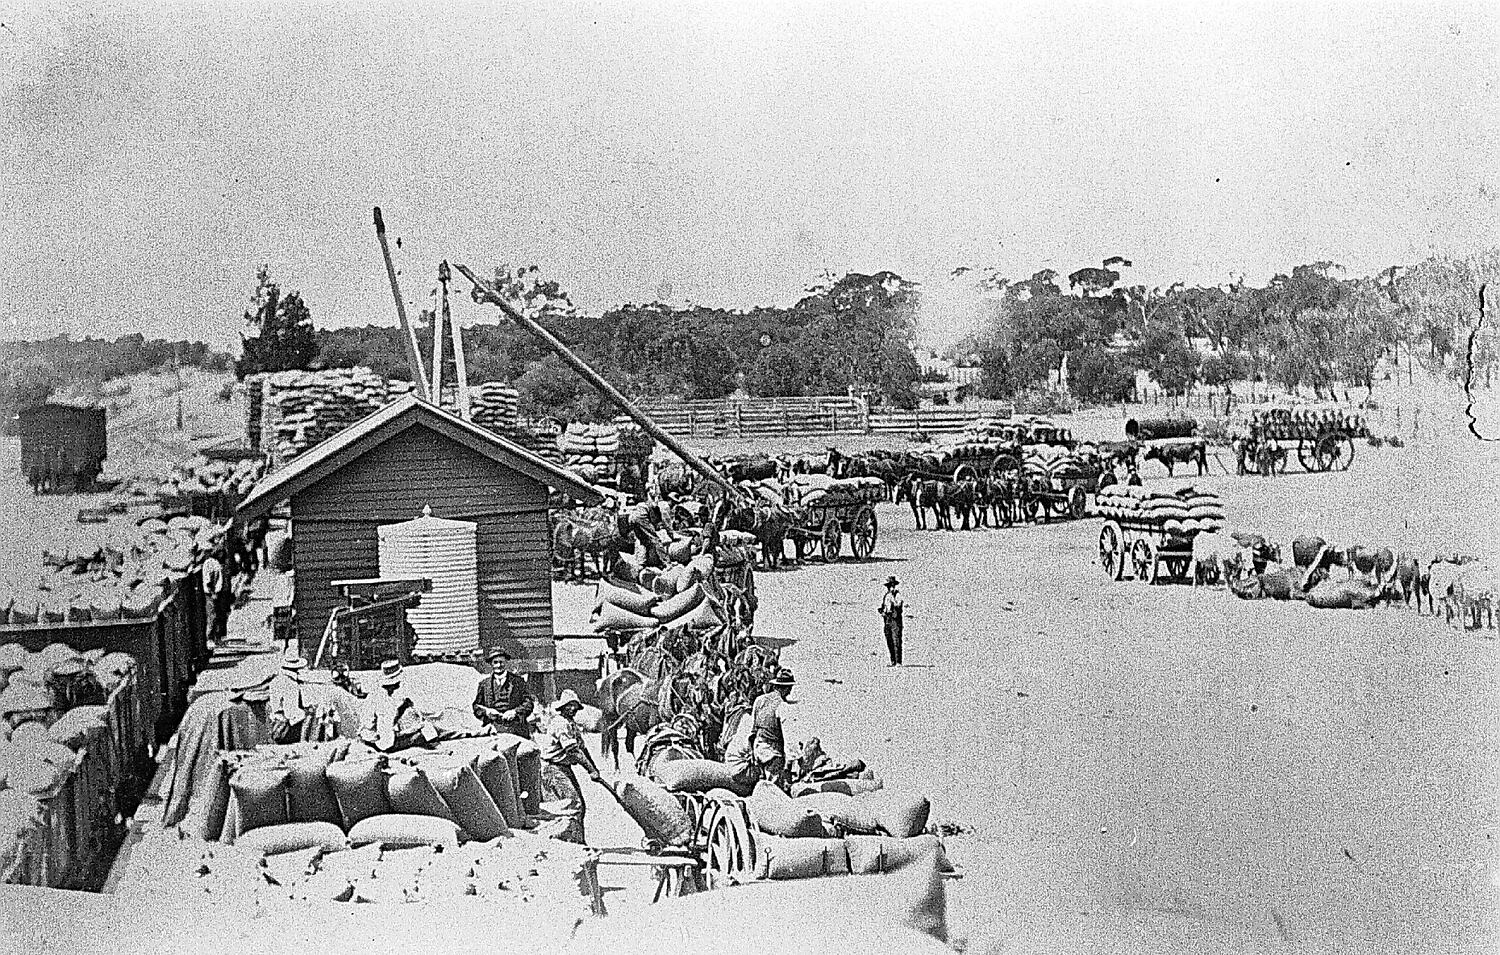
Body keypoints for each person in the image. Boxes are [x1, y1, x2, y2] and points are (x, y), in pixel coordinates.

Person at [538, 690, 602, 843]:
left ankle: (577, 841)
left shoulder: (571, 724)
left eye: (575, 706)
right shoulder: (560, 723)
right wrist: (591, 770)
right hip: (552, 768)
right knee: (572, 805)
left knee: (578, 806)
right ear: (563, 707)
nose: (573, 709)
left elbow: (582, 749)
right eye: (570, 706)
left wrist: (594, 769)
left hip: (563, 768)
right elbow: (573, 751)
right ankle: (570, 844)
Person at [361, 660, 439, 752]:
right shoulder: (378, 697)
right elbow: (368, 722)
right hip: (391, 742)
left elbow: (368, 722)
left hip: (388, 740)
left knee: (427, 727)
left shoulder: (379, 695)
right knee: (426, 730)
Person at [472, 647, 537, 738]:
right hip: (493, 729)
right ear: (491, 664)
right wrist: (487, 712)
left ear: (506, 662)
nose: (499, 665)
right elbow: (476, 707)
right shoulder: (484, 684)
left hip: (516, 729)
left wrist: (515, 712)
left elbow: (529, 703)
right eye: (495, 662)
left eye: (501, 662)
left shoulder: (518, 681)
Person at [751, 669, 796, 791]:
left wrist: (753, 754)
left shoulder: (759, 701)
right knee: (774, 790)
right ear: (787, 688)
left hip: (758, 748)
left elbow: (753, 730)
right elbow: (789, 739)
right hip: (773, 753)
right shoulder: (783, 706)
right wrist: (789, 763)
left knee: (761, 784)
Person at [267, 649, 308, 744]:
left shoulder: (276, 680)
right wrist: (305, 713)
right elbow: (291, 712)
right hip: (288, 726)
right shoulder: (291, 684)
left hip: (276, 719)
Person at [201, 548, 230, 646]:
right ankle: (209, 638)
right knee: (212, 616)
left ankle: (217, 638)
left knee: (219, 615)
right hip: (211, 594)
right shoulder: (210, 563)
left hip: (219, 593)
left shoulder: (218, 563)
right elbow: (208, 580)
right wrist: (212, 593)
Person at [879, 576, 904, 666]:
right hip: (887, 619)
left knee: (896, 640)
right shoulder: (887, 595)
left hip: (895, 620)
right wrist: (883, 611)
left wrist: (892, 607)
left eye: (893, 585)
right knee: (889, 639)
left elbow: (898, 605)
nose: (891, 587)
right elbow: (885, 607)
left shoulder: (897, 595)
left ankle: (898, 661)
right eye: (890, 586)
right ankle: (893, 661)